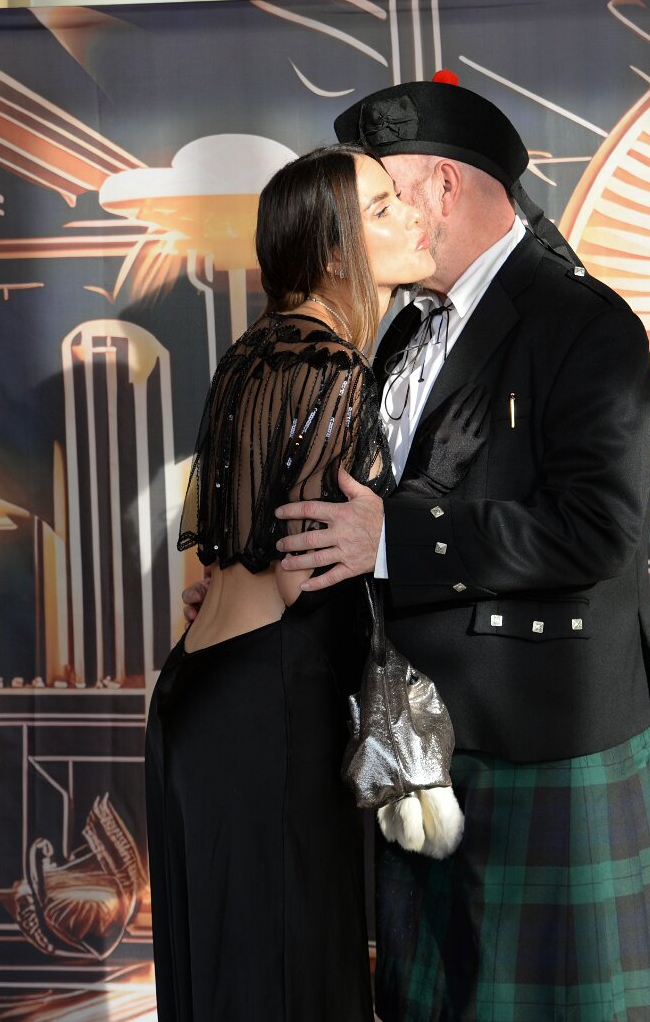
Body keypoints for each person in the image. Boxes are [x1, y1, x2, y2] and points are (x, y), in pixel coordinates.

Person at [271, 76, 650, 1020]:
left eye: (383, 198)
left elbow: (599, 527)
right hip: (420, 733)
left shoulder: (584, 323)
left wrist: (396, 539)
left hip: (537, 733)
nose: (361, 227)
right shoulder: (404, 331)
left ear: (444, 188)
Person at [144, 144, 434, 1020]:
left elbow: (241, 545)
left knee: (224, 979)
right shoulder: (334, 368)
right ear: (336, 251)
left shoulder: (255, 351)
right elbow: (307, 572)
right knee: (286, 979)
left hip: (199, 692)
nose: (412, 214)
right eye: (382, 207)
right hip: (267, 710)